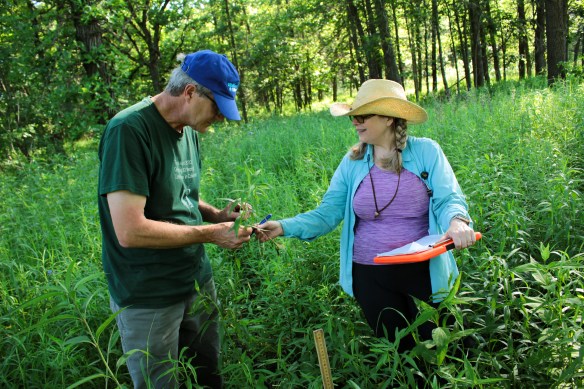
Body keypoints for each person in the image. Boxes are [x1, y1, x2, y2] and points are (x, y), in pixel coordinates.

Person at [257, 79, 477, 352]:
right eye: (353, 116)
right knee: (401, 356)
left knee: (450, 348)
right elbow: (328, 213)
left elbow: (449, 199)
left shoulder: (425, 152)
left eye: (362, 115)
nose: (355, 121)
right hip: (370, 276)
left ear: (387, 117)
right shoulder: (353, 162)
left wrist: (457, 221)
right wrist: (283, 226)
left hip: (424, 270)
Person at [97, 49, 253, 389]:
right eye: (217, 108)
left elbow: (179, 193)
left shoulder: (189, 129)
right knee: (160, 382)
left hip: (195, 279)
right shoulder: (128, 131)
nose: (221, 119)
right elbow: (129, 230)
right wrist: (212, 233)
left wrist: (217, 215)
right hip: (148, 292)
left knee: (209, 373)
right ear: (190, 92)